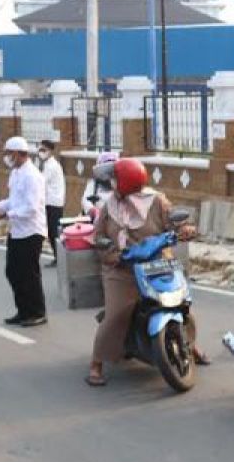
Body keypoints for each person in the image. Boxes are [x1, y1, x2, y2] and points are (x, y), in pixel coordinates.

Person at [85, 157, 208, 386]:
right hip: (123, 269)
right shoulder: (108, 206)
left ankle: (189, 345)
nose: (112, 183)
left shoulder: (156, 201)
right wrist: (112, 253)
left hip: (158, 264)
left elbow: (175, 224)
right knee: (117, 314)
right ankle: (97, 362)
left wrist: (185, 230)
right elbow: (98, 236)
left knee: (182, 305)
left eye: (116, 179)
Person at [0, 136, 48, 327]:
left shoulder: (32, 176)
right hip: (17, 230)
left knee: (29, 274)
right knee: (13, 272)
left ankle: (37, 312)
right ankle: (23, 311)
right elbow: (13, 200)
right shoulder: (15, 173)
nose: (6, 158)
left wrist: (7, 214)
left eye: (8, 154)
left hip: (31, 231)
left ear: (17, 154)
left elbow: (31, 208)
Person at [38, 139, 66, 265]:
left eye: (44, 150)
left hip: (53, 202)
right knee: (52, 231)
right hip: (51, 201)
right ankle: (58, 258)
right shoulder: (47, 164)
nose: (41, 152)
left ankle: (59, 258)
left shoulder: (51, 166)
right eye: (40, 150)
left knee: (54, 232)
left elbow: (41, 182)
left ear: (50, 151)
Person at [81, 151, 119, 217]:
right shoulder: (93, 184)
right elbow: (85, 200)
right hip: (98, 219)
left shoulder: (120, 183)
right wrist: (93, 210)